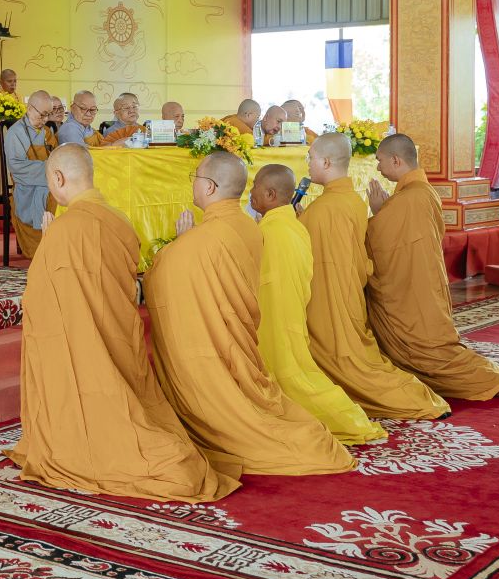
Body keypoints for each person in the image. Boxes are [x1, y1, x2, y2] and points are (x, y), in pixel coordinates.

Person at [11, 143, 239, 502]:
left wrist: (50, 242)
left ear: (57, 179)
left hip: (82, 349)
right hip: (119, 339)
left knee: (106, 420)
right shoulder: (118, 221)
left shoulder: (64, 230)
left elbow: (39, 301)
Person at [146, 152, 354, 475]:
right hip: (238, 339)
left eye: (195, 178)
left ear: (210, 187)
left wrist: (180, 244)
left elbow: (158, 279)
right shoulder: (247, 225)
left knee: (241, 416)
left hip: (217, 350)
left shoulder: (202, 239)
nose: (193, 184)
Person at [301, 133, 450, 419]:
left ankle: (412, 398)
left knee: (351, 365)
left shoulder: (320, 211)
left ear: (327, 162)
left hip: (330, 305)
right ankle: (413, 393)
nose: (307, 163)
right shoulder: (353, 201)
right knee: (363, 359)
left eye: (311, 158)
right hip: (351, 298)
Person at [366, 134, 499, 400]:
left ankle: (489, 380)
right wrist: (387, 210)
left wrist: (379, 212)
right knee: (434, 345)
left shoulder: (407, 200)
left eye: (380, 161)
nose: (378, 167)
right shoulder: (422, 192)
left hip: (413, 290)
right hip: (428, 281)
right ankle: (488, 377)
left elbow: (378, 241)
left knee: (430, 351)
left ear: (395, 160)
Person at [249, 164, 386, 444]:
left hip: (275, 319)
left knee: (290, 378)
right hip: (291, 314)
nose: (250, 193)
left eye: (255, 188)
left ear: (271, 195)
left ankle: (345, 420)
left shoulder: (272, 230)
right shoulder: (292, 224)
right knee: (295, 371)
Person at [4, 91, 55, 258]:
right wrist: (50, 169)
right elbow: (16, 167)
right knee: (55, 198)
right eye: (42, 114)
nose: (45, 120)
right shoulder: (16, 133)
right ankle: (48, 250)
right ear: (29, 108)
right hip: (27, 188)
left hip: (50, 183)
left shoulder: (47, 132)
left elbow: (57, 156)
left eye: (48, 115)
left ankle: (63, 247)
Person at [59, 90, 137, 146]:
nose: (88, 114)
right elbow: (83, 156)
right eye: (83, 108)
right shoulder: (70, 128)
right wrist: (114, 145)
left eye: (92, 109)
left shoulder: (87, 128)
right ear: (73, 108)